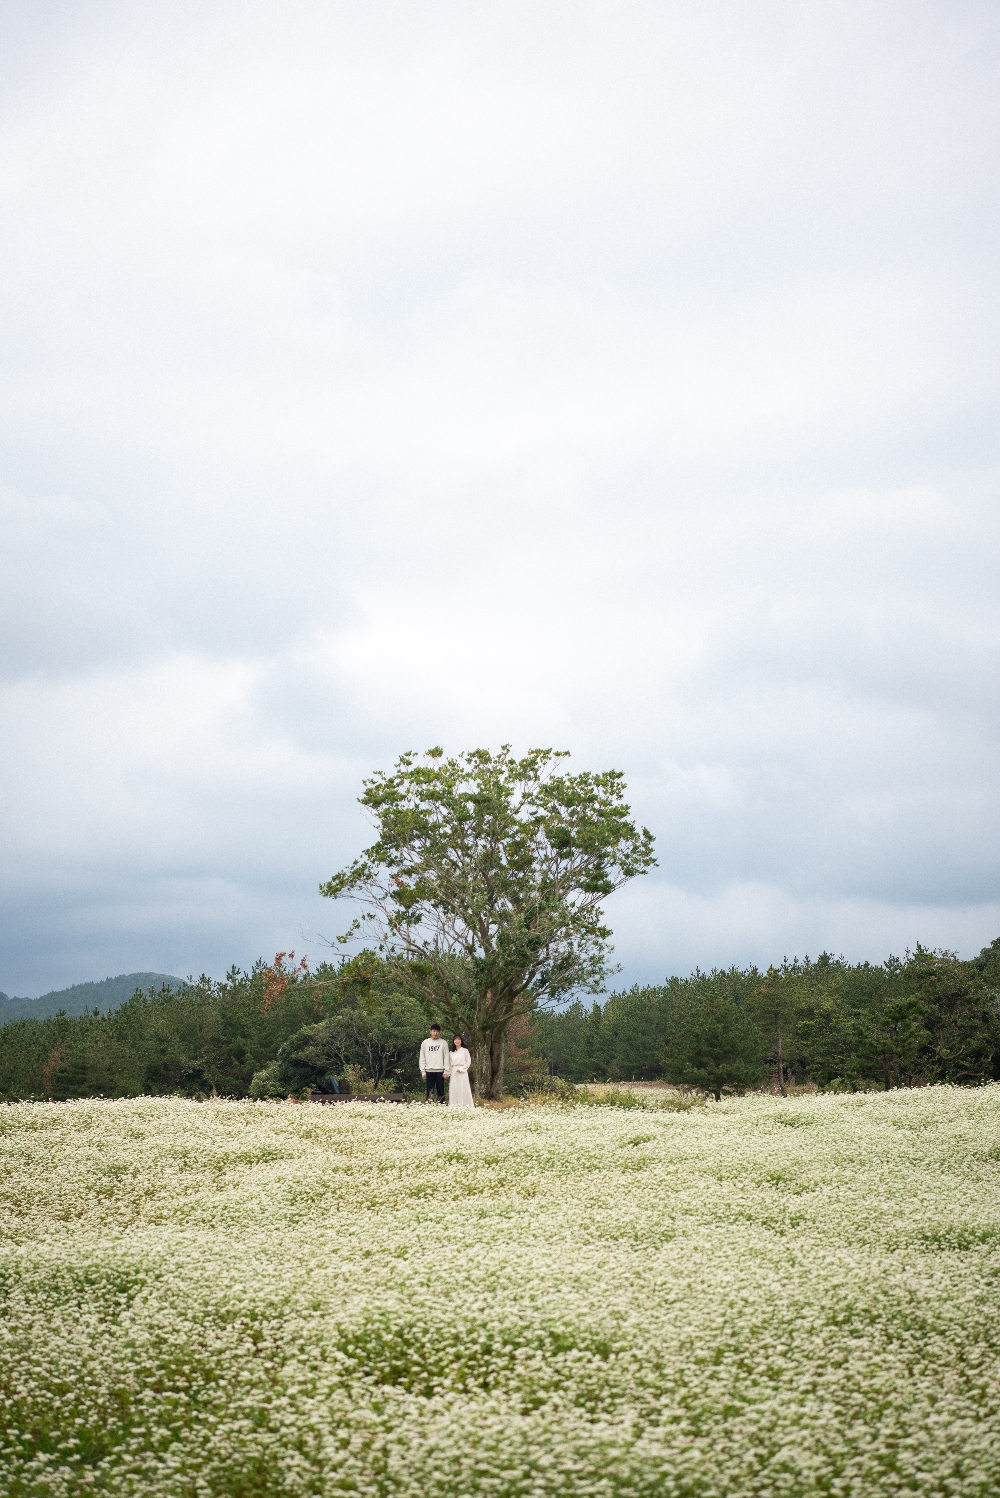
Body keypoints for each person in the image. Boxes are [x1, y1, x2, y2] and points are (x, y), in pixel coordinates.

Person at [419, 1025, 450, 1102]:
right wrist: (423, 1071)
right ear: (430, 1031)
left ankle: (442, 1108)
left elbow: (446, 1058)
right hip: (429, 1071)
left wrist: (447, 1071)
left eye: (437, 1031)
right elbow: (422, 1057)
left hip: (440, 1071)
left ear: (439, 1032)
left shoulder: (443, 1043)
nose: (435, 1033)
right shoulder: (425, 1043)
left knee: (441, 1092)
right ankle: (429, 1108)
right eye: (433, 1031)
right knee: (430, 1092)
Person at [447, 1034, 475, 1109]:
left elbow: (468, 1061)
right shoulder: (451, 1052)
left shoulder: (465, 1051)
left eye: (459, 1039)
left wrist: (462, 1069)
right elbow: (449, 1064)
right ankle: (454, 1106)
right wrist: (448, 1073)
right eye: (455, 1039)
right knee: (454, 1089)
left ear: (461, 1040)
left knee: (463, 1088)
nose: (457, 1041)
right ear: (453, 1041)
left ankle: (465, 1106)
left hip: (462, 1072)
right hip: (454, 1072)